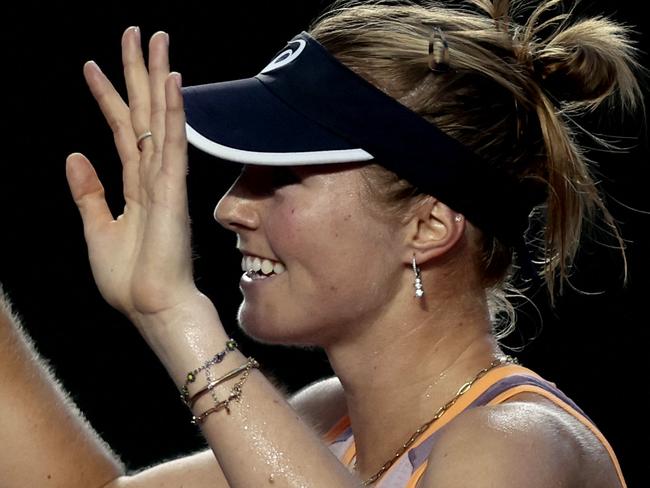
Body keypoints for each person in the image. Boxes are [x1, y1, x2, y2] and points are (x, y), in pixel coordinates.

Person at [0, 0, 643, 486]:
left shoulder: (519, 444)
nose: (227, 208)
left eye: (282, 174)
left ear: (428, 225)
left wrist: (174, 315)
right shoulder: (329, 422)